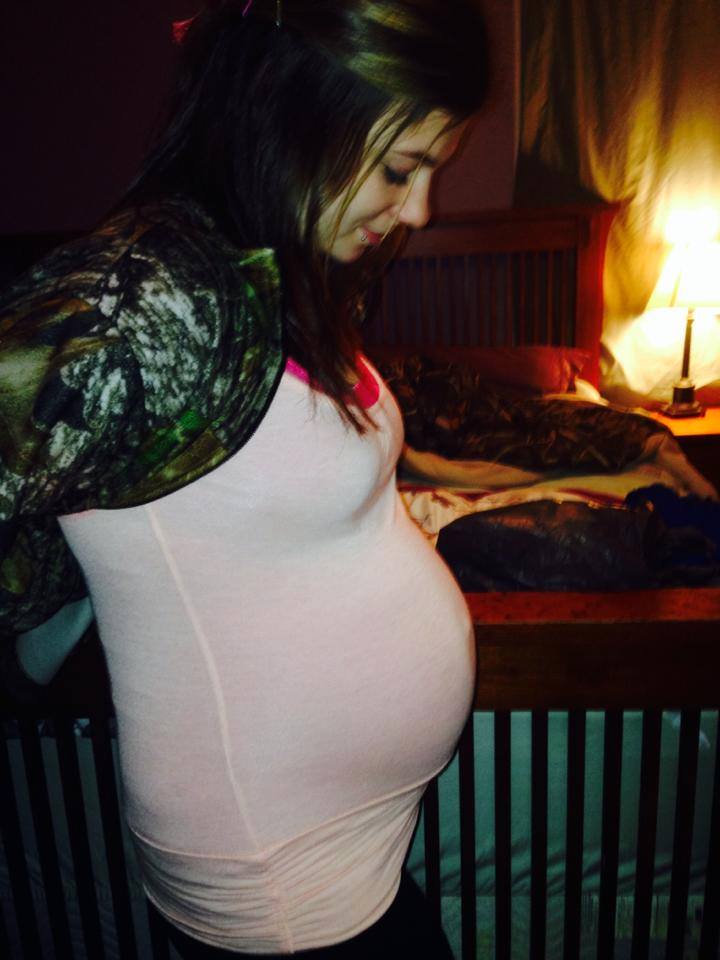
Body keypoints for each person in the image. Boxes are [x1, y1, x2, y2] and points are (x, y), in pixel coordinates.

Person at [0, 0, 489, 955]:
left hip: (333, 845)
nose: (420, 210)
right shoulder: (147, 300)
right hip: (275, 872)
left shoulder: (270, 267)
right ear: (291, 105)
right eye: (401, 168)